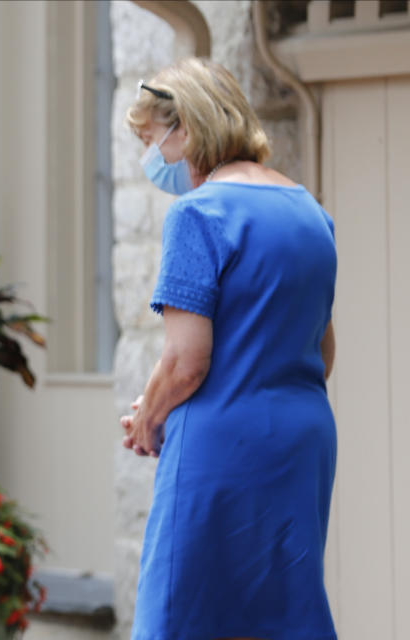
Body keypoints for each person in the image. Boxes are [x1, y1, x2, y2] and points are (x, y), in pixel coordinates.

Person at [119, 58, 337, 640]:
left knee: (182, 612)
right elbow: (323, 348)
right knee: (283, 613)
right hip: (302, 439)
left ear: (185, 127)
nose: (157, 160)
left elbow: (186, 362)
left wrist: (147, 417)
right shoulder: (311, 212)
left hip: (222, 444)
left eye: (153, 141)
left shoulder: (199, 213)